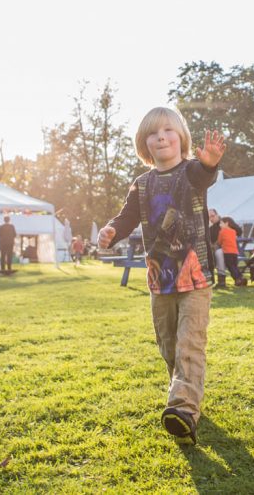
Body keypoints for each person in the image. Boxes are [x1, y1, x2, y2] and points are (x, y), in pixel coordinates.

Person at [97, 107, 226, 445]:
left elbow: (204, 175)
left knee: (189, 341)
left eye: (168, 130)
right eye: (153, 134)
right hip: (160, 278)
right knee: (168, 344)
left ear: (181, 137)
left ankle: (182, 407)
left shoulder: (191, 172)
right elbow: (126, 218)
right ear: (145, 145)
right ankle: (186, 395)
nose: (161, 137)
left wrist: (210, 162)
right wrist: (112, 229)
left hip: (195, 276)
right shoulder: (141, 185)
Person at [216, 216, 247, 289]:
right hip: (235, 252)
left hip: (227, 252)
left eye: (221, 223)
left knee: (230, 267)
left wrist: (218, 244)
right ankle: (241, 277)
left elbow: (219, 242)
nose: (220, 225)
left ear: (226, 223)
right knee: (235, 266)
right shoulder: (234, 231)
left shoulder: (222, 232)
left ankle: (237, 279)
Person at [207, 209, 229, 284]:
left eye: (213, 216)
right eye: (209, 217)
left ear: (217, 215)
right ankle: (211, 279)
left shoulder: (225, 221)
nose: (211, 219)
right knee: (210, 254)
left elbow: (238, 232)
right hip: (215, 249)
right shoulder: (210, 229)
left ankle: (221, 279)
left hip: (227, 247)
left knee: (219, 253)